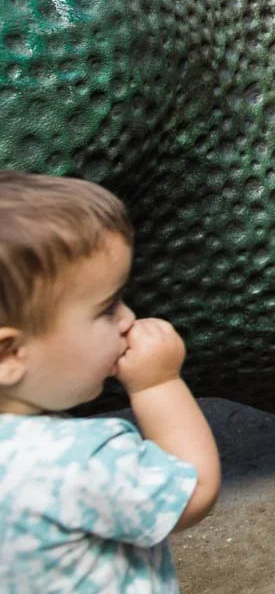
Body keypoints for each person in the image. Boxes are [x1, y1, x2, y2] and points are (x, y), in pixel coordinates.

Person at [0, 171, 222, 593]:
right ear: (9, 355)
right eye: (106, 309)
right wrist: (158, 385)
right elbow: (194, 492)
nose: (128, 319)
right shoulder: (78, 462)